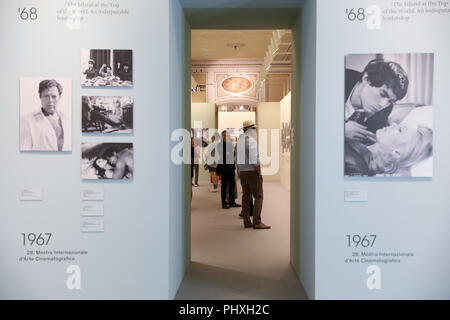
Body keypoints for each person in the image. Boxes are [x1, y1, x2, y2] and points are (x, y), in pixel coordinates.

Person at [345, 59, 409, 145]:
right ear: (366, 79)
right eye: (383, 94)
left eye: (390, 101)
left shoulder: (385, 110)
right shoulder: (339, 78)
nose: (383, 105)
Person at [345, 124, 432, 176]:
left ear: (396, 154)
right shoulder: (363, 142)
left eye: (400, 130)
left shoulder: (354, 166)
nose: (393, 124)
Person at [236, 120, 270, 229]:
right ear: (251, 130)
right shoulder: (251, 141)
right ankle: (257, 221)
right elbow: (254, 158)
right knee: (258, 196)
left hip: (243, 172)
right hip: (252, 171)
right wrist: (259, 172)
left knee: (246, 196)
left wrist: (239, 170)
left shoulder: (240, 141)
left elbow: (237, 158)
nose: (256, 131)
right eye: (254, 129)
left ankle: (246, 221)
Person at [20, 79, 69, 151]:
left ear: (59, 97)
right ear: (40, 97)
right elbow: (24, 150)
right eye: (46, 96)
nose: (50, 100)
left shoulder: (67, 119)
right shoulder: (27, 120)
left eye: (54, 96)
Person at [217, 130, 241, 209]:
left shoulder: (230, 144)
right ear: (223, 136)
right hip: (224, 168)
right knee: (224, 185)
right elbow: (222, 157)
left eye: (228, 136)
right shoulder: (220, 145)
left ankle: (232, 202)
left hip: (231, 167)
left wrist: (229, 154)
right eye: (226, 136)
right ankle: (224, 203)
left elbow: (233, 154)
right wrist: (228, 154)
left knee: (232, 184)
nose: (228, 137)